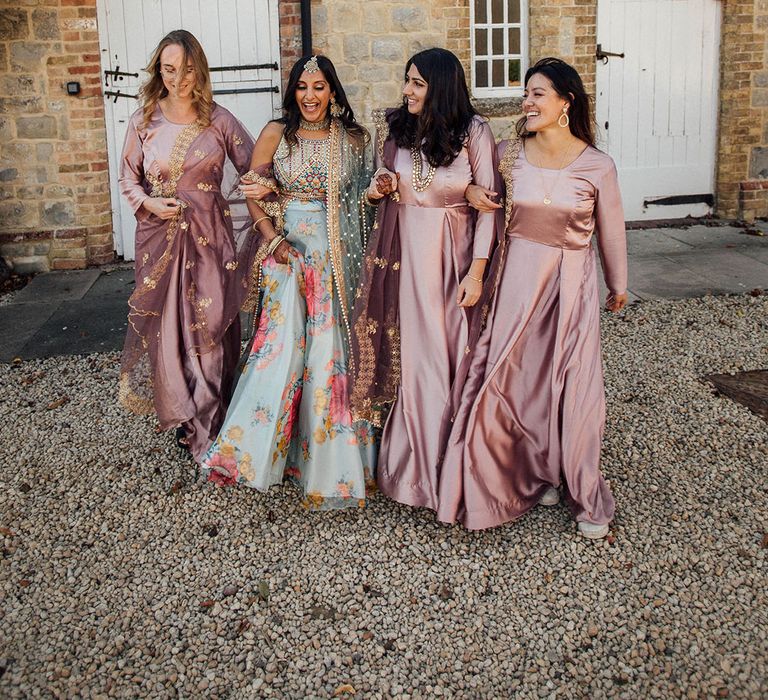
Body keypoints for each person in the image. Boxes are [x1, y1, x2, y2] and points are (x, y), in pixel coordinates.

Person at [438, 57, 628, 538]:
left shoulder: (597, 165)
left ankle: (581, 489)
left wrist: (618, 285)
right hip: (517, 276)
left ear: (566, 102)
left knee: (572, 383)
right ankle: (530, 470)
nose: (528, 101)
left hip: (571, 281)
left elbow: (612, 233)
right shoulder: (508, 154)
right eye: (526, 93)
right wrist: (475, 195)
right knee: (514, 378)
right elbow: (482, 198)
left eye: (538, 93)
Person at [201, 55, 377, 509]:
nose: (310, 96)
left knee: (327, 353)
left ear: (333, 92)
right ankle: (255, 453)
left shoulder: (354, 140)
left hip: (338, 258)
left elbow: (364, 200)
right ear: (292, 92)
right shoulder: (277, 134)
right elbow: (252, 189)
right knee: (279, 350)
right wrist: (273, 239)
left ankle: (327, 464)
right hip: (288, 252)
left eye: (319, 87)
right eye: (302, 87)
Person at [350, 48, 498, 513]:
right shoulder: (395, 130)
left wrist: (476, 272)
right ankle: (415, 470)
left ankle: (452, 469)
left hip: (454, 261)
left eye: (417, 83)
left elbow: (489, 210)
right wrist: (378, 189)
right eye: (406, 80)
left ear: (441, 86)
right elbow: (381, 186)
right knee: (414, 357)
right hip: (405, 258)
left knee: (450, 357)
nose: (407, 90)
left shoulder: (474, 132)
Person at [118, 30, 264, 462]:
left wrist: (278, 193)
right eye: (168, 68)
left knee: (210, 325)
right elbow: (128, 177)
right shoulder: (143, 121)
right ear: (157, 70)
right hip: (159, 241)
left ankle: (212, 421)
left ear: (199, 70)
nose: (177, 78)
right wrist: (146, 202)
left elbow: (254, 166)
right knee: (170, 330)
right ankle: (185, 416)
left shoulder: (220, 120)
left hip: (210, 240)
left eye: (185, 69)